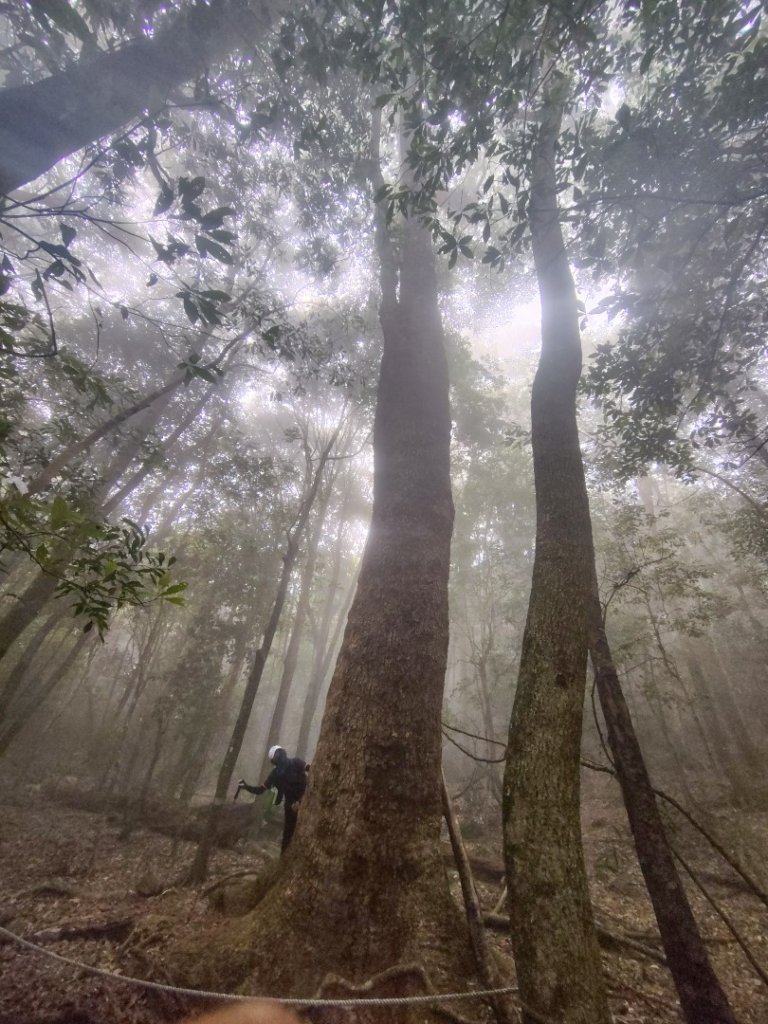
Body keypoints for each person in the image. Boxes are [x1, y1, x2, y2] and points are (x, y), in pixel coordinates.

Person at [236, 745, 309, 853]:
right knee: (288, 835)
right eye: (276, 757)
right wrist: (246, 786)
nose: (278, 758)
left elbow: (312, 770)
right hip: (292, 805)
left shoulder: (294, 763)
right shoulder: (276, 774)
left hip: (304, 799)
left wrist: (302, 800)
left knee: (292, 834)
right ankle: (284, 860)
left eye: (277, 756)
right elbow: (261, 789)